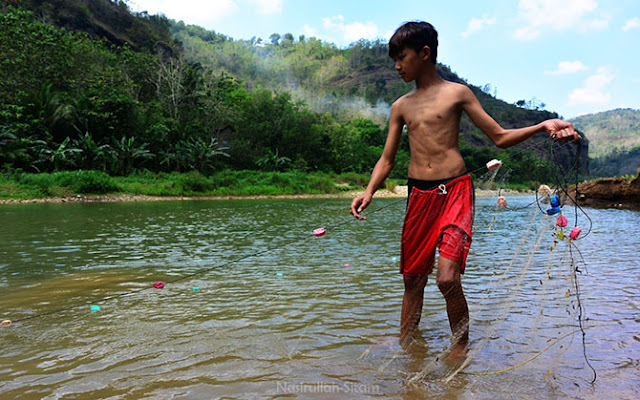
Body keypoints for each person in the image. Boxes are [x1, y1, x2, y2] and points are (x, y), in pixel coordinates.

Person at [350, 21, 579, 360]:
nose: (397, 66)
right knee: (413, 279)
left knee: (446, 277)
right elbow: (387, 159)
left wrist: (542, 125)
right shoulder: (401, 106)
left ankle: (459, 345)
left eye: (402, 57)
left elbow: (499, 137)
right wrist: (369, 191)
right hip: (419, 197)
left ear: (425, 53)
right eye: (394, 59)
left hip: (455, 192)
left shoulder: (457, 93)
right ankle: (405, 342)